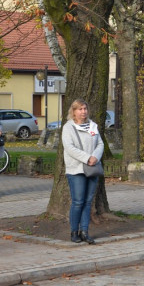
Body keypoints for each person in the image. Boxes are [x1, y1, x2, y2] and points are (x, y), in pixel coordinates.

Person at [61, 99, 105, 244]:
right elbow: (69, 148)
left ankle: (84, 231)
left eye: (85, 108)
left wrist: (95, 157)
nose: (83, 112)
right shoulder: (68, 128)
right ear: (73, 111)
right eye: (80, 109)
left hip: (92, 167)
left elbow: (100, 143)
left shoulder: (92, 126)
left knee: (87, 202)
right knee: (78, 201)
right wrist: (87, 158)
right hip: (76, 169)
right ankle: (74, 231)